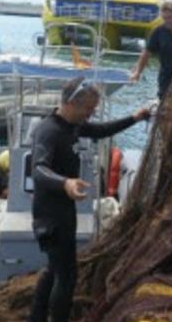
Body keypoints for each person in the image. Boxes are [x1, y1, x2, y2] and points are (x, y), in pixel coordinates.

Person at [28, 77, 150, 322]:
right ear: (72, 103)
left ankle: (36, 318)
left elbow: (101, 130)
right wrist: (65, 182)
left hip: (63, 210)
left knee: (54, 270)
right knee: (67, 276)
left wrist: (134, 118)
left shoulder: (73, 125)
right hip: (50, 214)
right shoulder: (49, 131)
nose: (91, 113)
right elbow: (38, 170)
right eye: (89, 108)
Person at [130, 1, 172, 100]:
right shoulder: (158, 31)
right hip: (166, 75)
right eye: (165, 18)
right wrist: (138, 72)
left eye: (170, 17)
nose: (167, 21)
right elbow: (146, 52)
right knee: (164, 101)